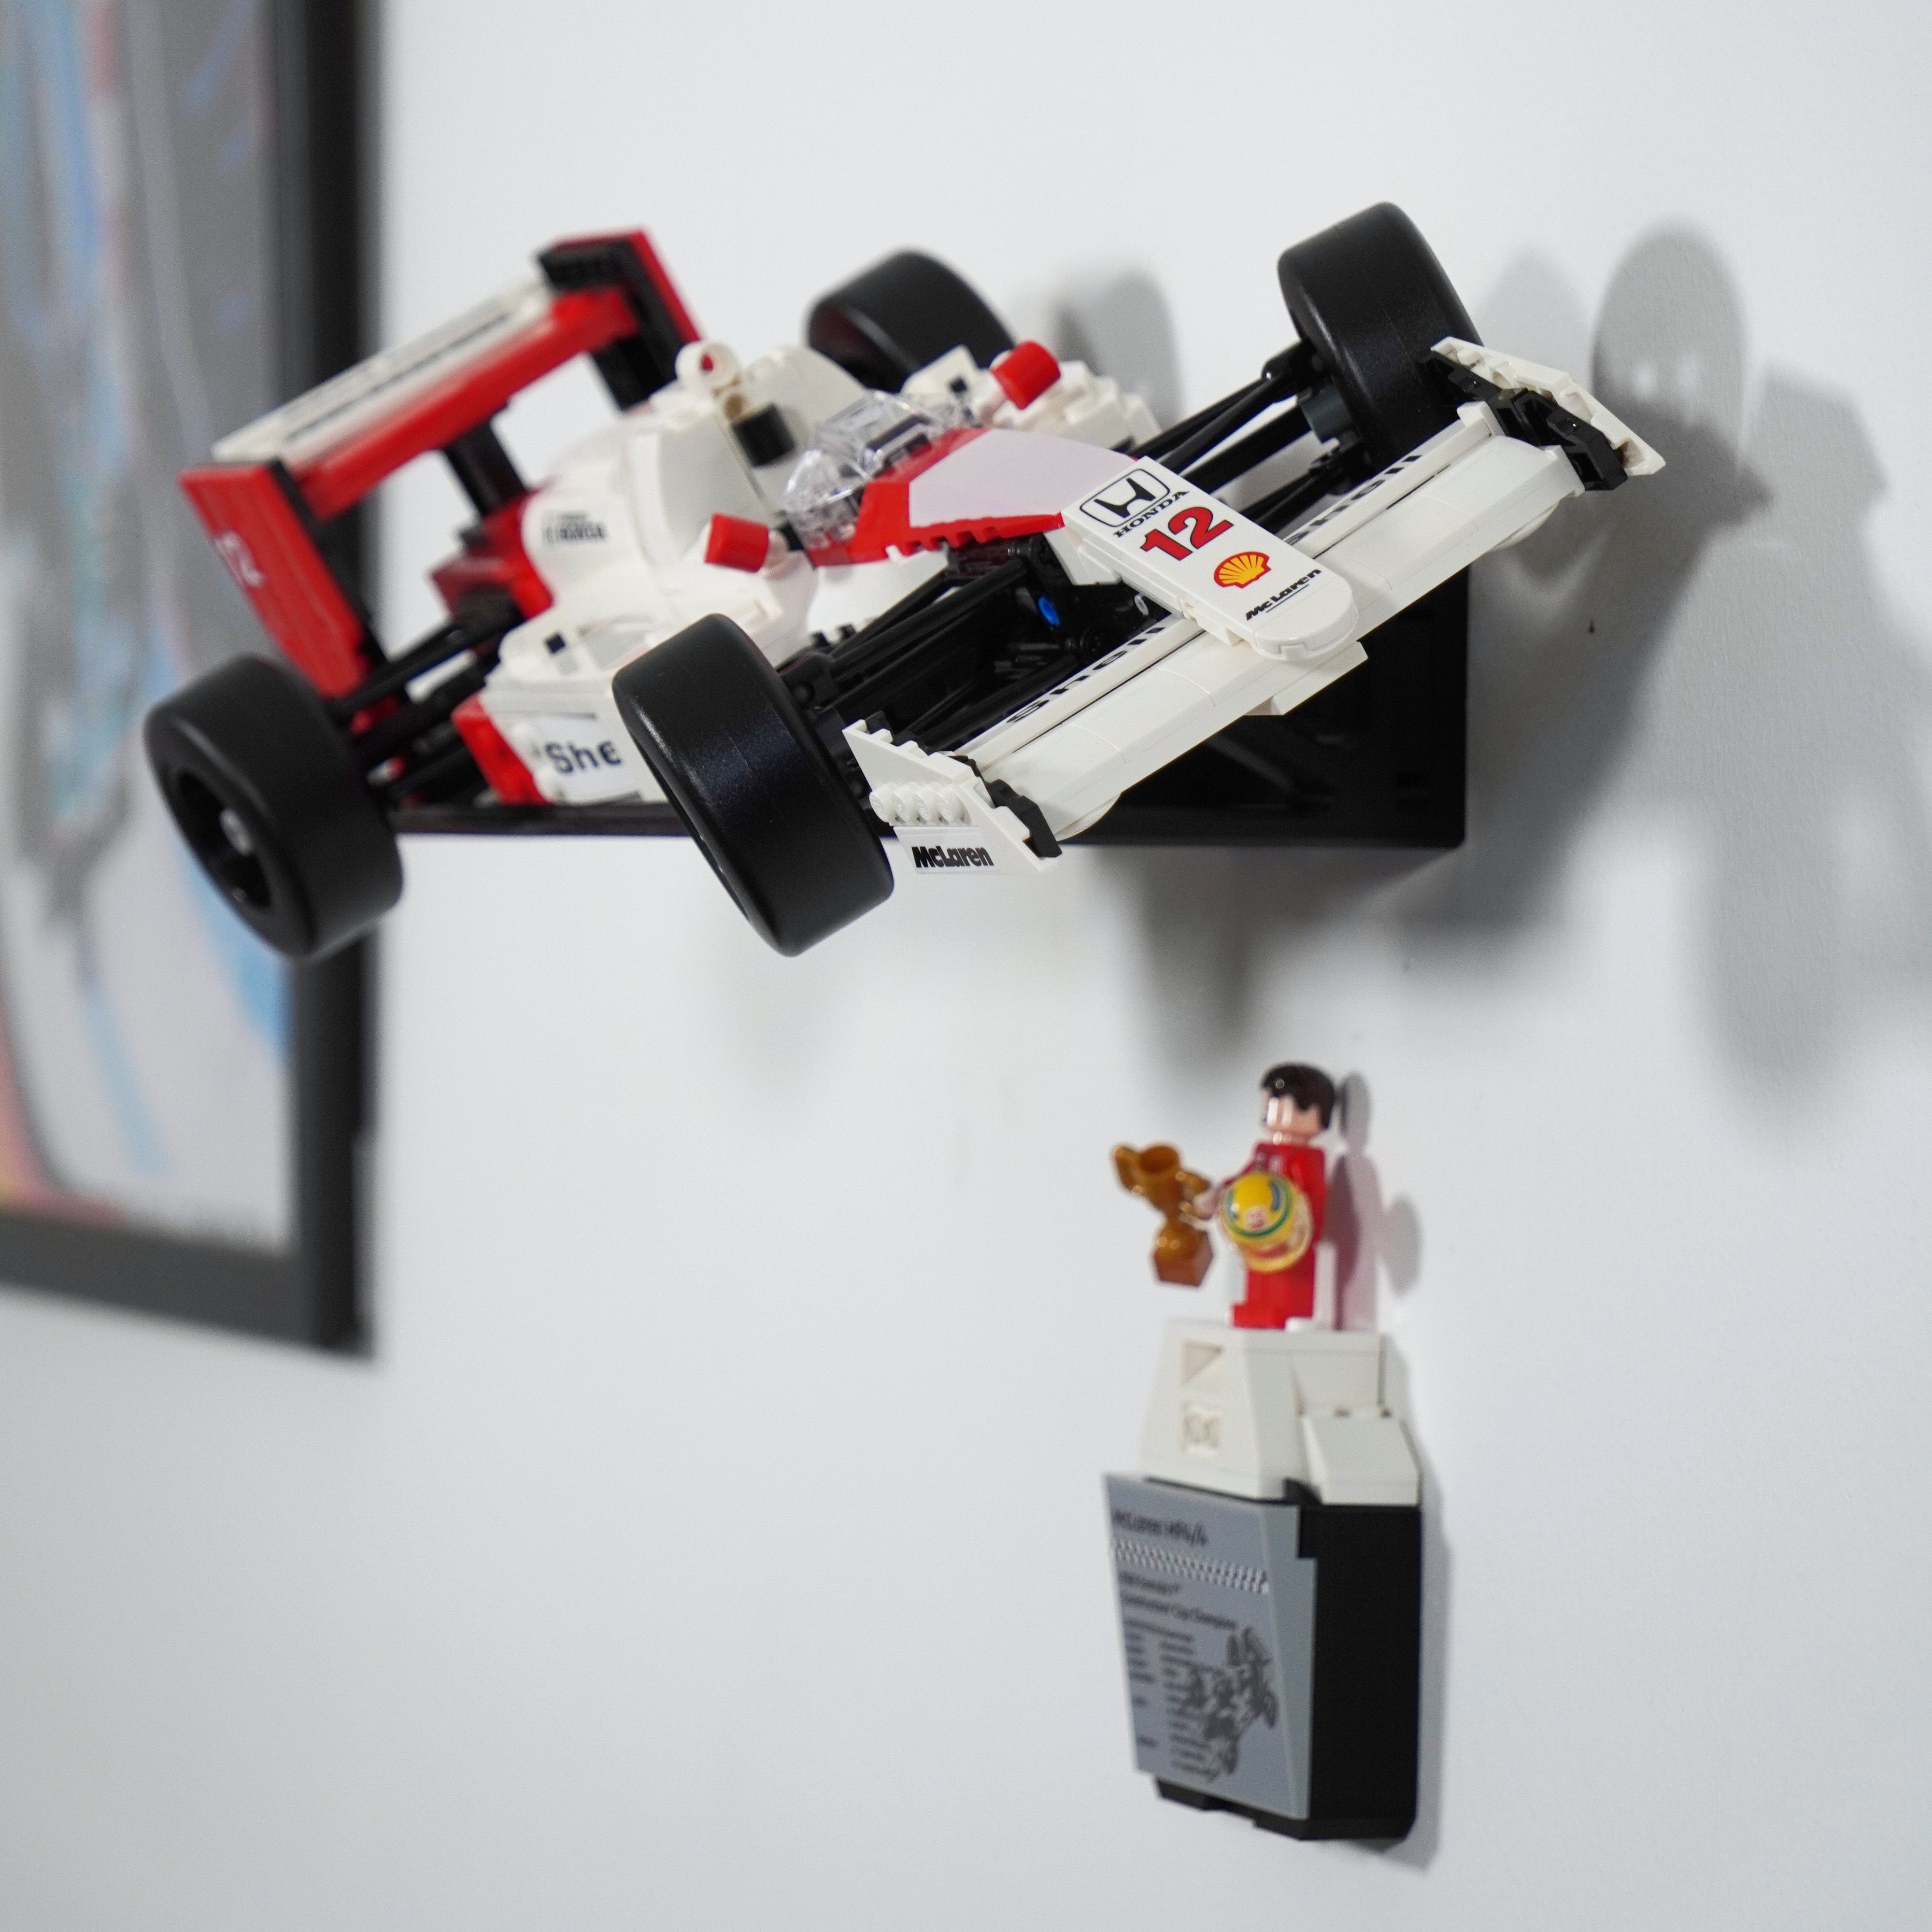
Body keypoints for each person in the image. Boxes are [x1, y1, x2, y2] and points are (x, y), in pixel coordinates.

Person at [1212, 1063, 1335, 1329]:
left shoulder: (1307, 1158)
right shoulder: (1263, 1152)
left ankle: (1288, 1311)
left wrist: (1299, 1218)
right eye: (1271, 1102)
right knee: (1258, 1271)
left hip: (1292, 1236)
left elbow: (1312, 1194)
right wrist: (1222, 1193)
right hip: (1258, 1230)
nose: (1275, 1110)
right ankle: (1256, 1307)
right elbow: (1245, 1178)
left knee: (1290, 1277)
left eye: (1285, 1104)